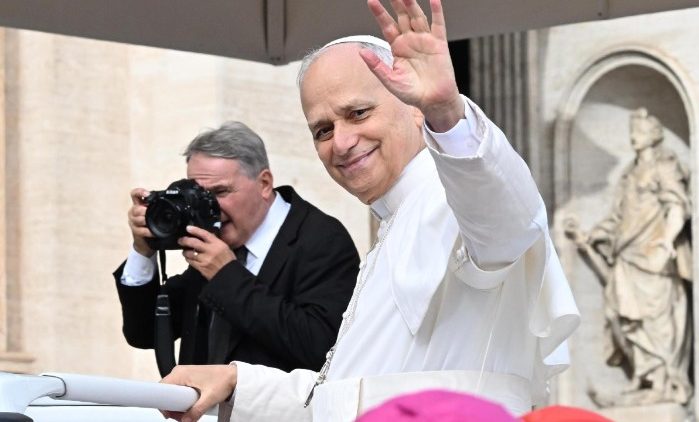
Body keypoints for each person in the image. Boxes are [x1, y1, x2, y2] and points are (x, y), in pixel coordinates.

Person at [161, 1, 579, 421]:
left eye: (358, 113)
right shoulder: (395, 220)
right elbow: (345, 401)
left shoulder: (453, 199)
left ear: (414, 107)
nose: (341, 143)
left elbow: (506, 223)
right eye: (323, 130)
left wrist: (447, 115)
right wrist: (237, 381)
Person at [113, 121, 360, 373]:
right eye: (199, 195)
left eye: (220, 192)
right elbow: (144, 332)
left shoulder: (321, 238)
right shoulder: (215, 240)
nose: (209, 207)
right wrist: (143, 249)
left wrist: (226, 276)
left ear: (264, 184)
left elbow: (321, 348)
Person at [566, 108, 692, 406]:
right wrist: (592, 234)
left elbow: (677, 205)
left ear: (654, 135)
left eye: (640, 129)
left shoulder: (664, 166)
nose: (634, 134)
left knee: (655, 319)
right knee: (619, 315)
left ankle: (662, 380)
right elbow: (618, 218)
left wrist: (667, 239)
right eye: (633, 129)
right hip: (627, 255)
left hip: (653, 254)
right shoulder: (629, 174)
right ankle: (642, 376)